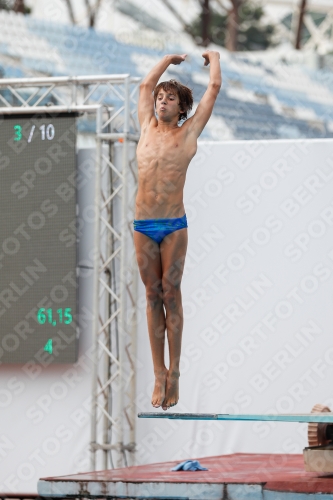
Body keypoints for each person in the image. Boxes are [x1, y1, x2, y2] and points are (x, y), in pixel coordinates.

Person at [134, 51, 221, 410]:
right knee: (152, 295)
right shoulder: (145, 127)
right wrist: (167, 60)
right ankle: (158, 372)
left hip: (172, 225)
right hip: (143, 224)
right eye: (160, 97)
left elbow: (213, 87)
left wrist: (214, 58)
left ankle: (176, 373)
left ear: (182, 108)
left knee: (171, 293)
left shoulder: (188, 133)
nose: (161, 101)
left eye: (170, 98)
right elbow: (144, 84)